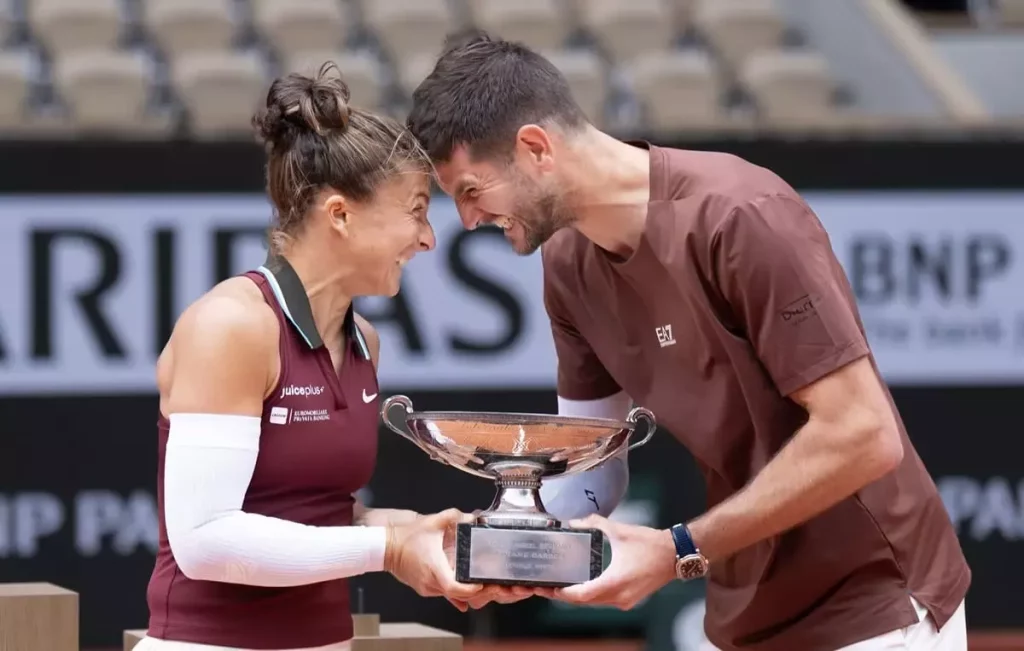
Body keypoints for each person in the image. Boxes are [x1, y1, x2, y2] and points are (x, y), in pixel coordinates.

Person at [406, 31, 971, 651]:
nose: (466, 221)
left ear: (535, 148)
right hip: (748, 610)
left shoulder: (740, 215)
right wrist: (512, 553)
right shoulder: (566, 264)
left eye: (471, 191)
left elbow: (863, 434)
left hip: (879, 604)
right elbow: (593, 473)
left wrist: (679, 550)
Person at [135, 63, 483, 651]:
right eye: (417, 210)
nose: (428, 238)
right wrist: (388, 548)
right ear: (340, 215)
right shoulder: (231, 324)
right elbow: (203, 542)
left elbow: (318, 523)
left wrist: (423, 535)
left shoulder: (365, 342)